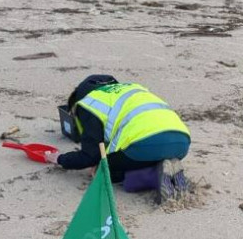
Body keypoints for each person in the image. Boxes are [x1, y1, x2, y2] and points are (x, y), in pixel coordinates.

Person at [45, 74, 191, 204]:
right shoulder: (133, 88)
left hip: (143, 143)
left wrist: (60, 159)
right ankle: (170, 173)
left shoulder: (89, 103)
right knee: (141, 155)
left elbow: (89, 156)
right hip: (181, 142)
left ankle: (153, 176)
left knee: (102, 171)